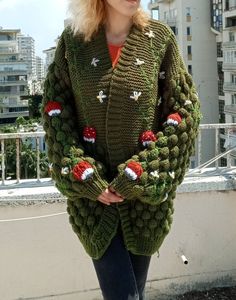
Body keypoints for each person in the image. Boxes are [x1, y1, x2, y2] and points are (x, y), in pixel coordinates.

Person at [42, 0, 201, 299]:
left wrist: (140, 173)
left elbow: (185, 112)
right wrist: (85, 174)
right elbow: (55, 111)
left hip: (146, 203)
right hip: (93, 203)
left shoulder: (159, 39)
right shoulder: (74, 44)